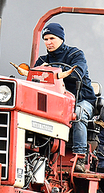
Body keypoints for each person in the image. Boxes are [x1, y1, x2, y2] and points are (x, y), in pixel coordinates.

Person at [35, 22, 97, 172]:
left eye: (52, 38)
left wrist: (51, 71)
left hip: (81, 100)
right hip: (54, 102)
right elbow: (34, 78)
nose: (48, 42)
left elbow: (77, 73)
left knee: (78, 114)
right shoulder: (42, 60)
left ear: (61, 39)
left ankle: (80, 156)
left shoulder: (75, 55)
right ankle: (38, 154)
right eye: (45, 39)